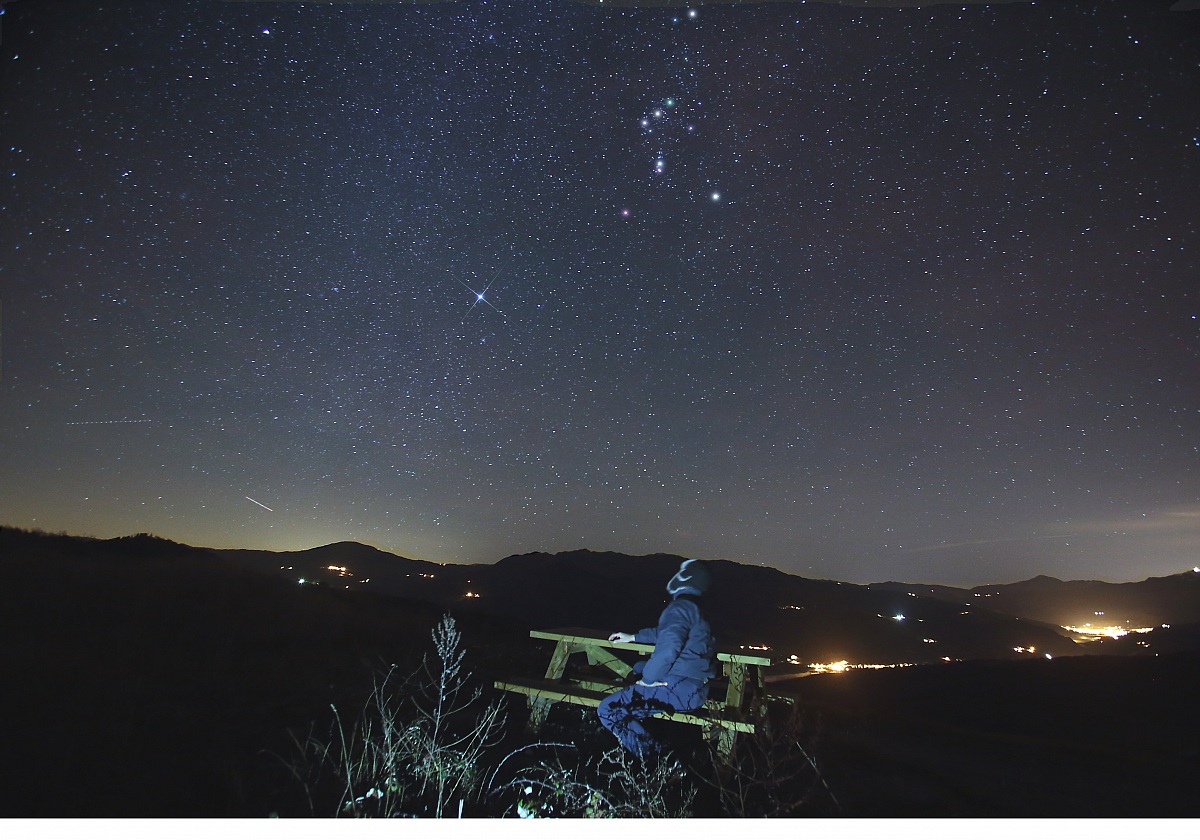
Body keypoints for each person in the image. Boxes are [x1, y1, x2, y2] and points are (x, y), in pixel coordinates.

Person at [597, 558, 718, 758]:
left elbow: (669, 648)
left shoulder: (680, 607)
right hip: (696, 690)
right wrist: (634, 637)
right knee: (638, 667)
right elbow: (667, 633)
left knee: (608, 710)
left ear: (686, 578)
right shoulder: (699, 610)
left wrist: (648, 680)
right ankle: (644, 723)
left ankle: (655, 761)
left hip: (676, 690)